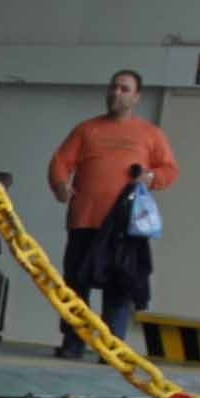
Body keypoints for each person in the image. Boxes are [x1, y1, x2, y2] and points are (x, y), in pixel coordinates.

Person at [43, 71, 179, 355]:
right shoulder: (86, 130)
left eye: (124, 89)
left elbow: (170, 170)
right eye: (113, 87)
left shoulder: (151, 134)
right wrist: (59, 186)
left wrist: (150, 177)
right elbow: (60, 161)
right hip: (84, 220)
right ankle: (73, 343)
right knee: (76, 285)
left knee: (120, 285)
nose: (116, 93)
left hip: (125, 227)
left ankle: (112, 349)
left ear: (136, 97)